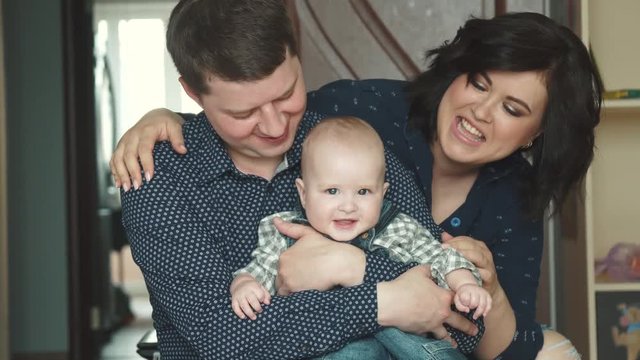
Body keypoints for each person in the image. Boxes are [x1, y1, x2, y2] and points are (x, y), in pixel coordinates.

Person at [112, 5, 602, 360]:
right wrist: (385, 299)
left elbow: (455, 321)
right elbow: (223, 339)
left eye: (286, 95)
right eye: (242, 113)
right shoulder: (159, 175)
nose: (274, 126)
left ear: (297, 59)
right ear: (192, 93)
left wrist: (349, 267)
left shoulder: (348, 144)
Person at [231, 116, 491, 359]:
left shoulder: (398, 227)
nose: (348, 206)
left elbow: (441, 257)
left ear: (383, 193)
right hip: (334, 346)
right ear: (303, 193)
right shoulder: (282, 230)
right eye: (332, 191)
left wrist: (465, 283)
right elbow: (258, 271)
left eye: (364, 191)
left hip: (407, 346)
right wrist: (244, 285)